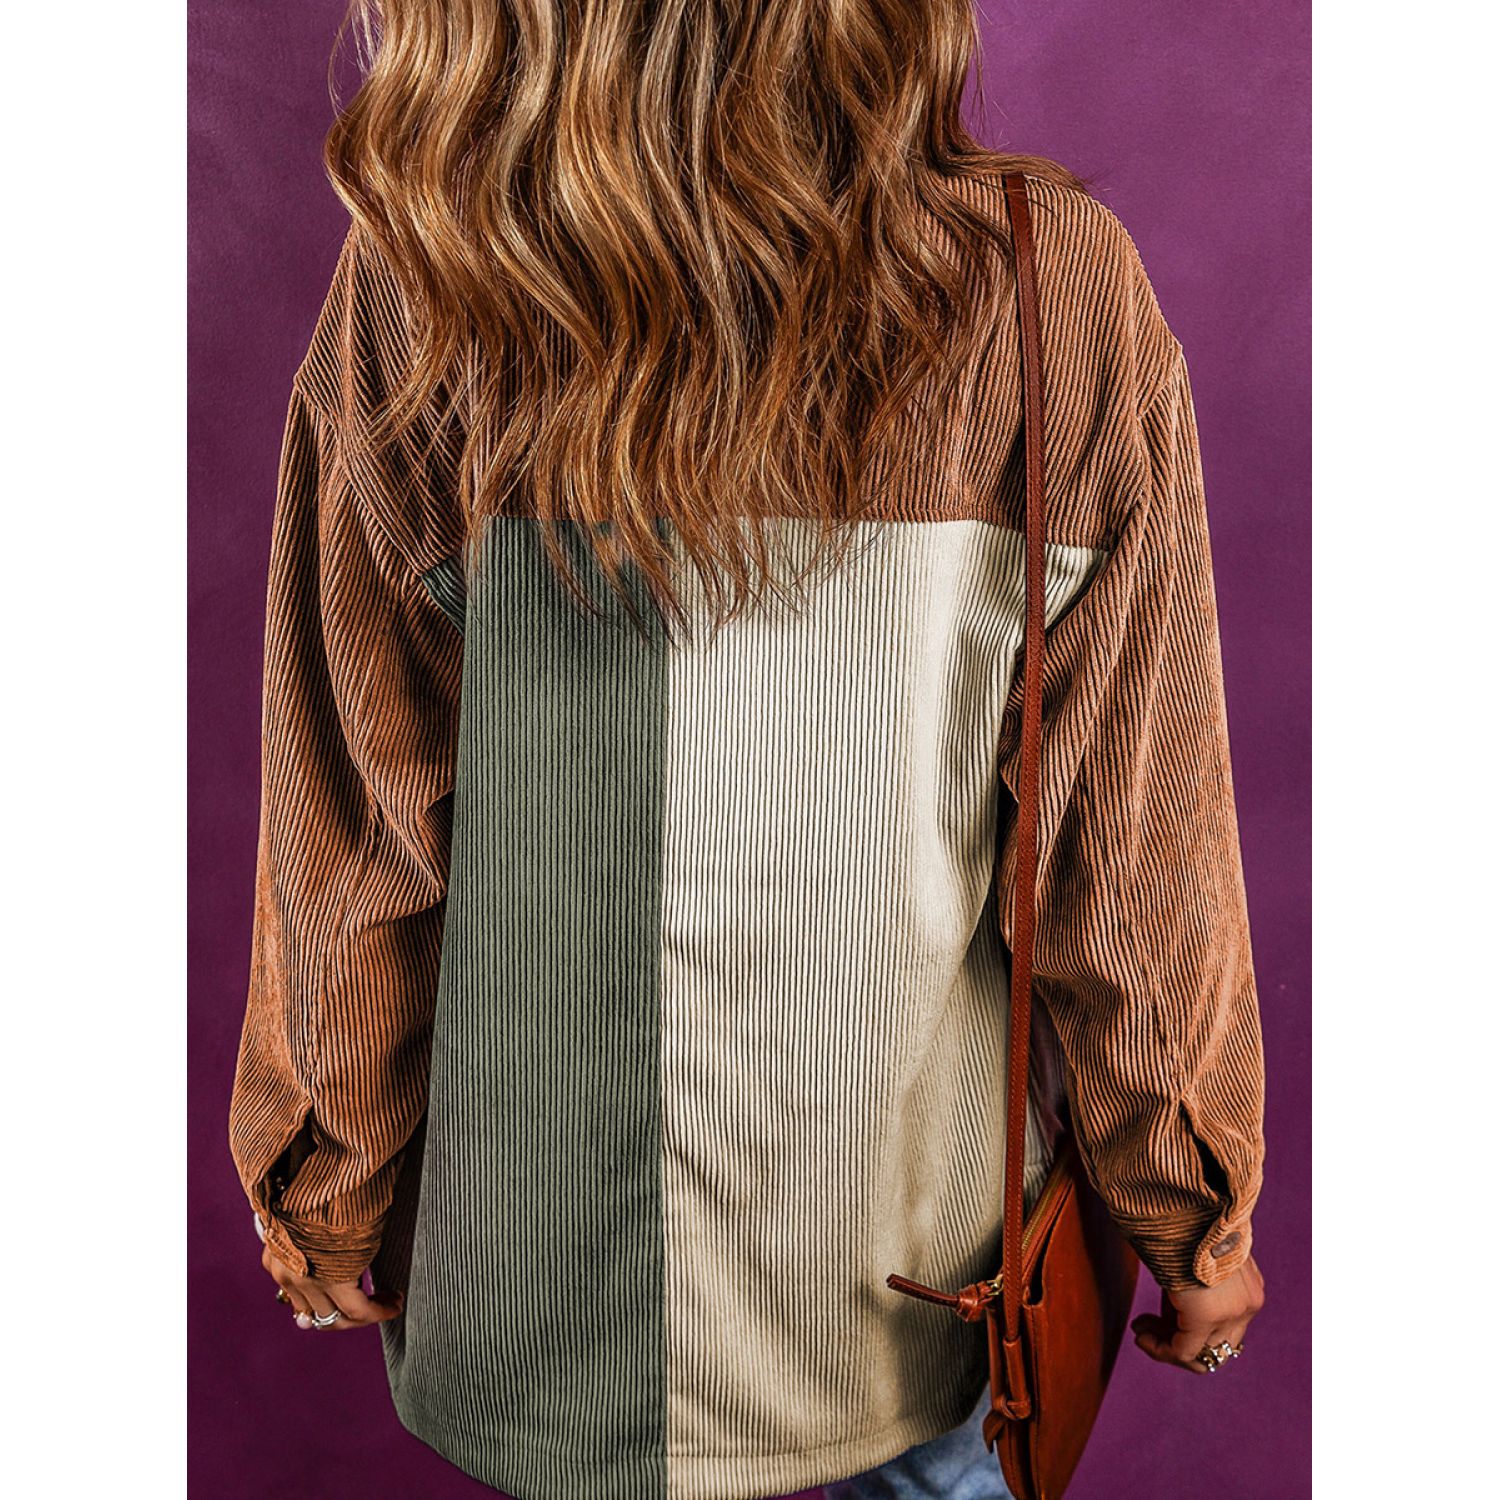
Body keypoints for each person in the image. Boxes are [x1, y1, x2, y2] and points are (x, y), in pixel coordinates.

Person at [226, 2, 1268, 1496]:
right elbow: (1127, 834)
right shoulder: (1046, 283)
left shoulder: (425, 281)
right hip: (911, 1275)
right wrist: (1189, 1208)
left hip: (554, 1305)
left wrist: (324, 1179)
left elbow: (359, 820)